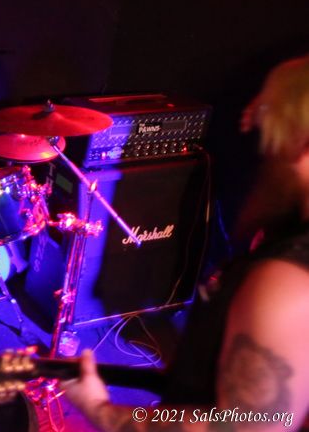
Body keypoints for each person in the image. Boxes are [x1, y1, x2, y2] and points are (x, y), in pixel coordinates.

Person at [63, 55, 309, 431]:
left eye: (270, 119)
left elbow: (246, 426)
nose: (260, 139)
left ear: (299, 140)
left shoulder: (285, 281)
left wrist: (98, 408)